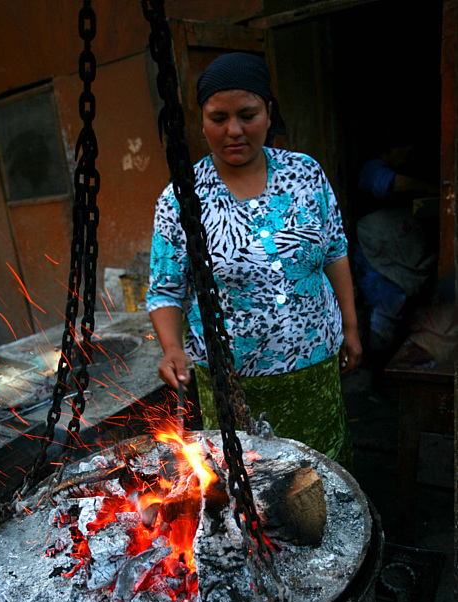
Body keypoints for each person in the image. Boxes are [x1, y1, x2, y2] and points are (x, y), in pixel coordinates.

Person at [146, 52, 361, 472]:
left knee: (322, 474)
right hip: (231, 381)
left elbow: (334, 250)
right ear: (202, 119)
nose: (234, 131)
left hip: (314, 366)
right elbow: (166, 288)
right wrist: (172, 348)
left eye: (248, 114)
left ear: (268, 112)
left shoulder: (306, 174)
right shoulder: (179, 200)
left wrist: (350, 327)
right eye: (218, 117)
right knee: (249, 480)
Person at [355, 129, 439, 389]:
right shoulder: (374, 168)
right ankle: (379, 382)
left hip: (403, 257)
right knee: (383, 320)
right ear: (391, 149)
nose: (411, 159)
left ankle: (397, 379)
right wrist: (435, 189)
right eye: (407, 152)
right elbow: (390, 183)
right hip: (378, 256)